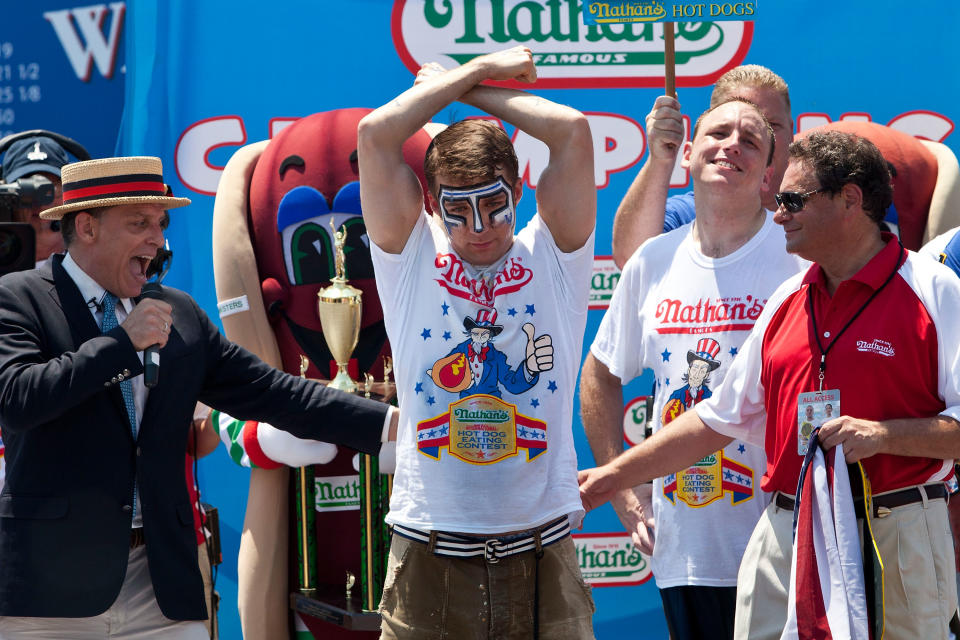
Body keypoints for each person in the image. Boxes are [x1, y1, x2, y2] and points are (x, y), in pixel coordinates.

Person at [579, 130, 960, 639]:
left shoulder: (934, 290)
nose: (779, 214)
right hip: (787, 531)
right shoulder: (785, 298)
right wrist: (611, 478)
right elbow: (714, 420)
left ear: (850, 199)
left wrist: (886, 436)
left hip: (897, 528)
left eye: (793, 200)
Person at [0, 156, 397, 638]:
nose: (157, 239)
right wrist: (123, 345)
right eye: (139, 223)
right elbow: (19, 399)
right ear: (85, 226)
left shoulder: (177, 312)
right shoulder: (17, 296)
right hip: (48, 595)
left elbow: (274, 392)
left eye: (161, 224)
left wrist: (386, 425)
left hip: (162, 586)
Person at [358, 46, 596, 639]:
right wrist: (473, 71)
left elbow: (570, 131)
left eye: (495, 205)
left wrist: (463, 89)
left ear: (519, 191)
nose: (481, 228)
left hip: (543, 550)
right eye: (459, 211)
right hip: (429, 550)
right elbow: (376, 135)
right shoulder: (411, 255)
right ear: (433, 204)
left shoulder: (555, 255)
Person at [580, 98, 805, 640]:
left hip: (789, 543)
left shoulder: (802, 258)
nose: (730, 145)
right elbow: (601, 374)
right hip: (687, 551)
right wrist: (625, 495)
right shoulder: (655, 261)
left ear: (769, 173)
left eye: (750, 140)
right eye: (717, 133)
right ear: (688, 153)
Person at [611, 65, 793, 268]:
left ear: (792, 133)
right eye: (723, 131)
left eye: (771, 126)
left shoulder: (814, 213)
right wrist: (660, 159)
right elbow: (632, 259)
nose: (736, 144)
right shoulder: (686, 215)